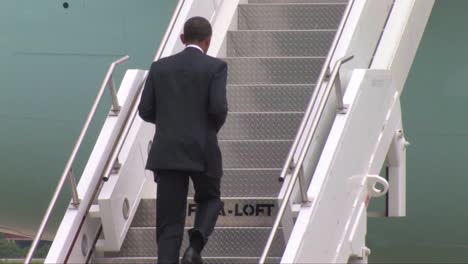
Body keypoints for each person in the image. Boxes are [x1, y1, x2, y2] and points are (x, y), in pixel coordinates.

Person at [138, 16, 228, 264]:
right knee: (210, 198)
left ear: (181, 39)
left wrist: (170, 124)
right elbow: (218, 108)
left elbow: (145, 110)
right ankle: (194, 249)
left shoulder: (159, 67)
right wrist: (208, 131)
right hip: (203, 150)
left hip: (166, 153)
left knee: (169, 222)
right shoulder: (216, 68)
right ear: (208, 41)